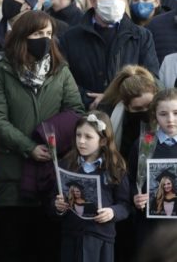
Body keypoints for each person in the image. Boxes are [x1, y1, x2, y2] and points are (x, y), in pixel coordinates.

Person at [0, 10, 84, 262]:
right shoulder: (1, 71)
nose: (45, 39)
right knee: (9, 248)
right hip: (12, 178)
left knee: (47, 250)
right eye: (38, 34)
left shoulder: (61, 71)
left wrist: (50, 141)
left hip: (52, 177)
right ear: (22, 36)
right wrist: (28, 147)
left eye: (49, 34)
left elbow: (75, 112)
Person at [60, 0, 159, 110]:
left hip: (127, 114)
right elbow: (63, 80)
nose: (115, 1)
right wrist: (89, 99)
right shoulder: (70, 37)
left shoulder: (141, 36)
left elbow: (151, 78)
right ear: (93, 1)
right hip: (84, 114)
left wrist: (114, 98)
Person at [54, 111, 131, 262]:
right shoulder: (67, 164)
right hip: (72, 234)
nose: (81, 141)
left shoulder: (115, 168)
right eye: (78, 135)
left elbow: (125, 204)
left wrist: (112, 212)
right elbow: (53, 197)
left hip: (101, 236)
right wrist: (57, 205)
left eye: (88, 137)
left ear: (103, 141)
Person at [129, 89, 177, 247]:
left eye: (176, 113)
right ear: (154, 115)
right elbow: (130, 181)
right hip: (151, 228)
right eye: (163, 114)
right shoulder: (144, 144)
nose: (170, 119)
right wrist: (135, 196)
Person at [99, 65, 158, 157]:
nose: (145, 111)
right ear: (126, 106)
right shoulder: (111, 118)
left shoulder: (167, 116)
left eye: (149, 106)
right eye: (138, 108)